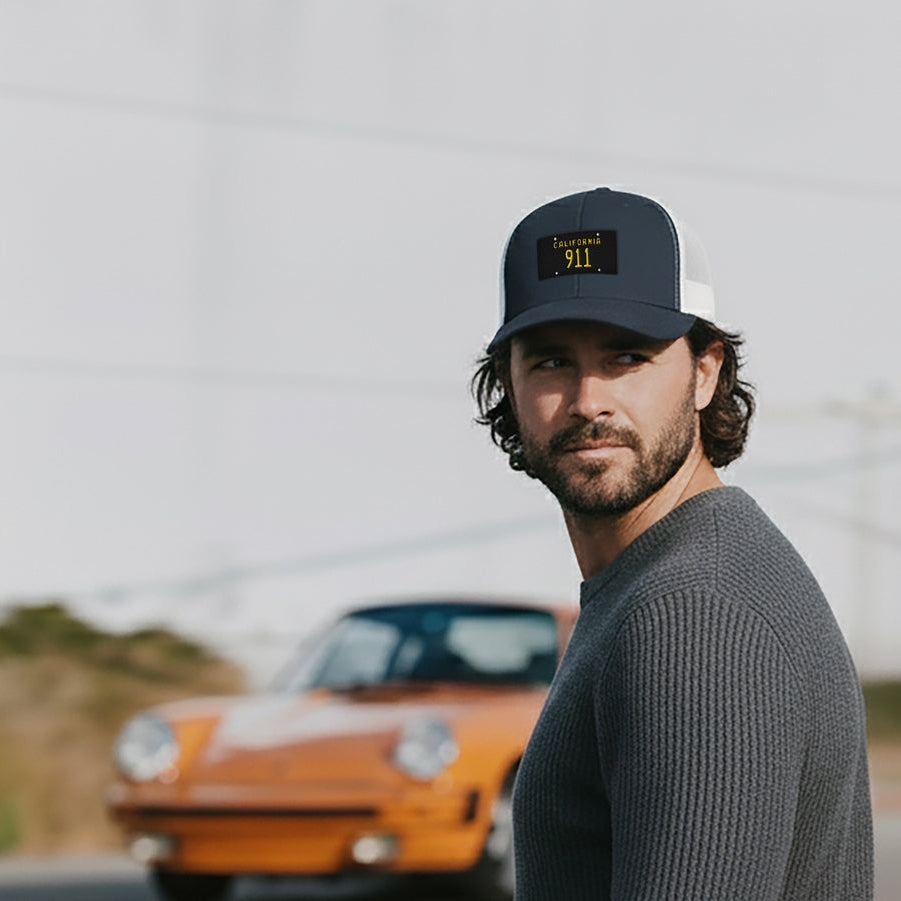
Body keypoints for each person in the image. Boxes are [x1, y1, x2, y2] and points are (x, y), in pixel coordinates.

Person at [472, 188, 873, 900]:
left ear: (705, 371)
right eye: (550, 361)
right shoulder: (658, 579)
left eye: (626, 356)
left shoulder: (693, 612)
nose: (588, 397)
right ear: (507, 380)